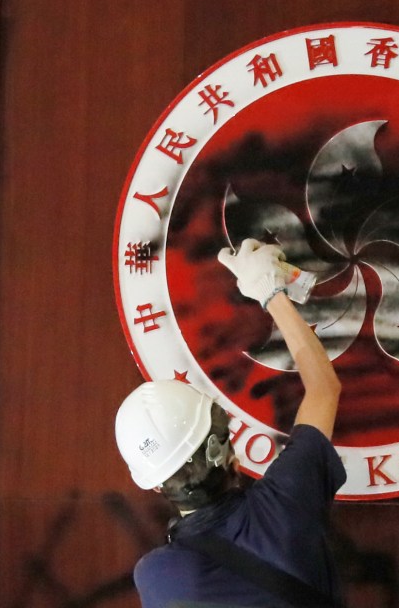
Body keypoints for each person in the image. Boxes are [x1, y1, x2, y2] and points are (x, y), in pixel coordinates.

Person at [114, 239, 345, 608]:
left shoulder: (159, 576)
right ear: (227, 447)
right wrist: (271, 294)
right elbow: (323, 389)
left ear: (156, 486)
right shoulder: (286, 502)